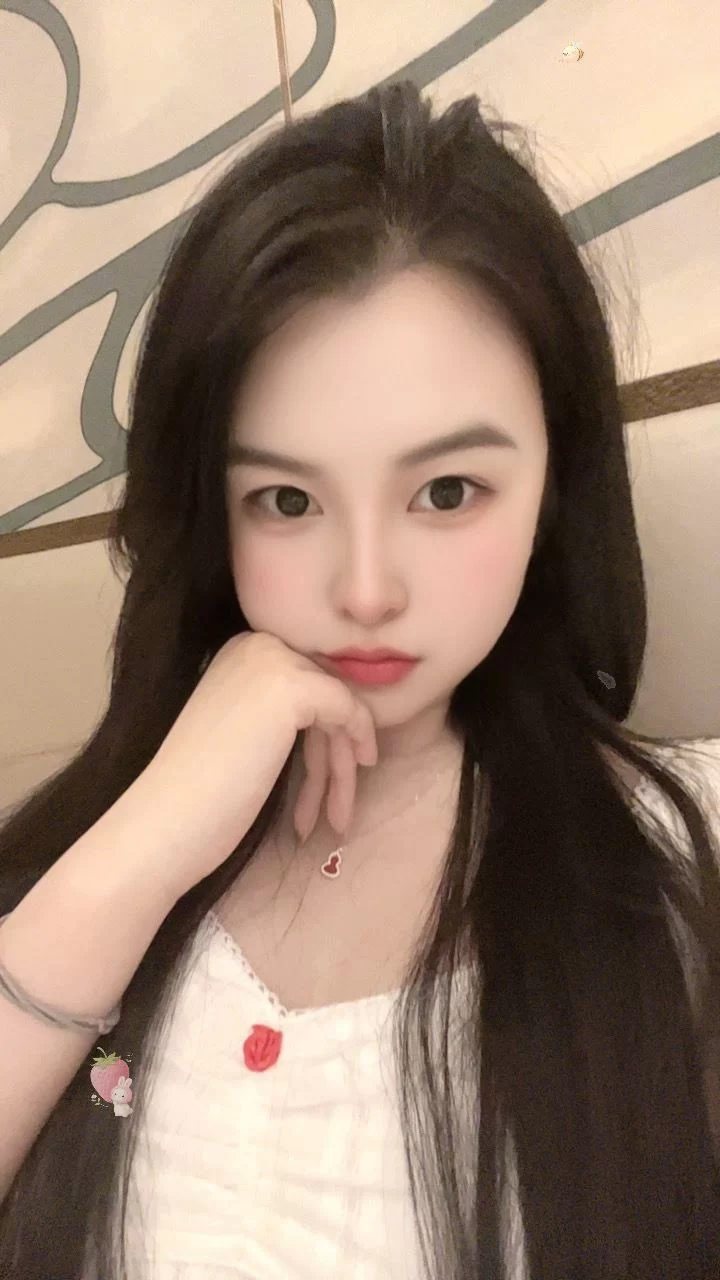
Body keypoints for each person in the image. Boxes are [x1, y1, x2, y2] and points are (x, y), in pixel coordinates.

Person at [0, 79, 719, 1280]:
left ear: (556, 482)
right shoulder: (99, 845)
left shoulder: (679, 865)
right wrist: (135, 849)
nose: (368, 589)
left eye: (447, 491)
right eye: (286, 499)